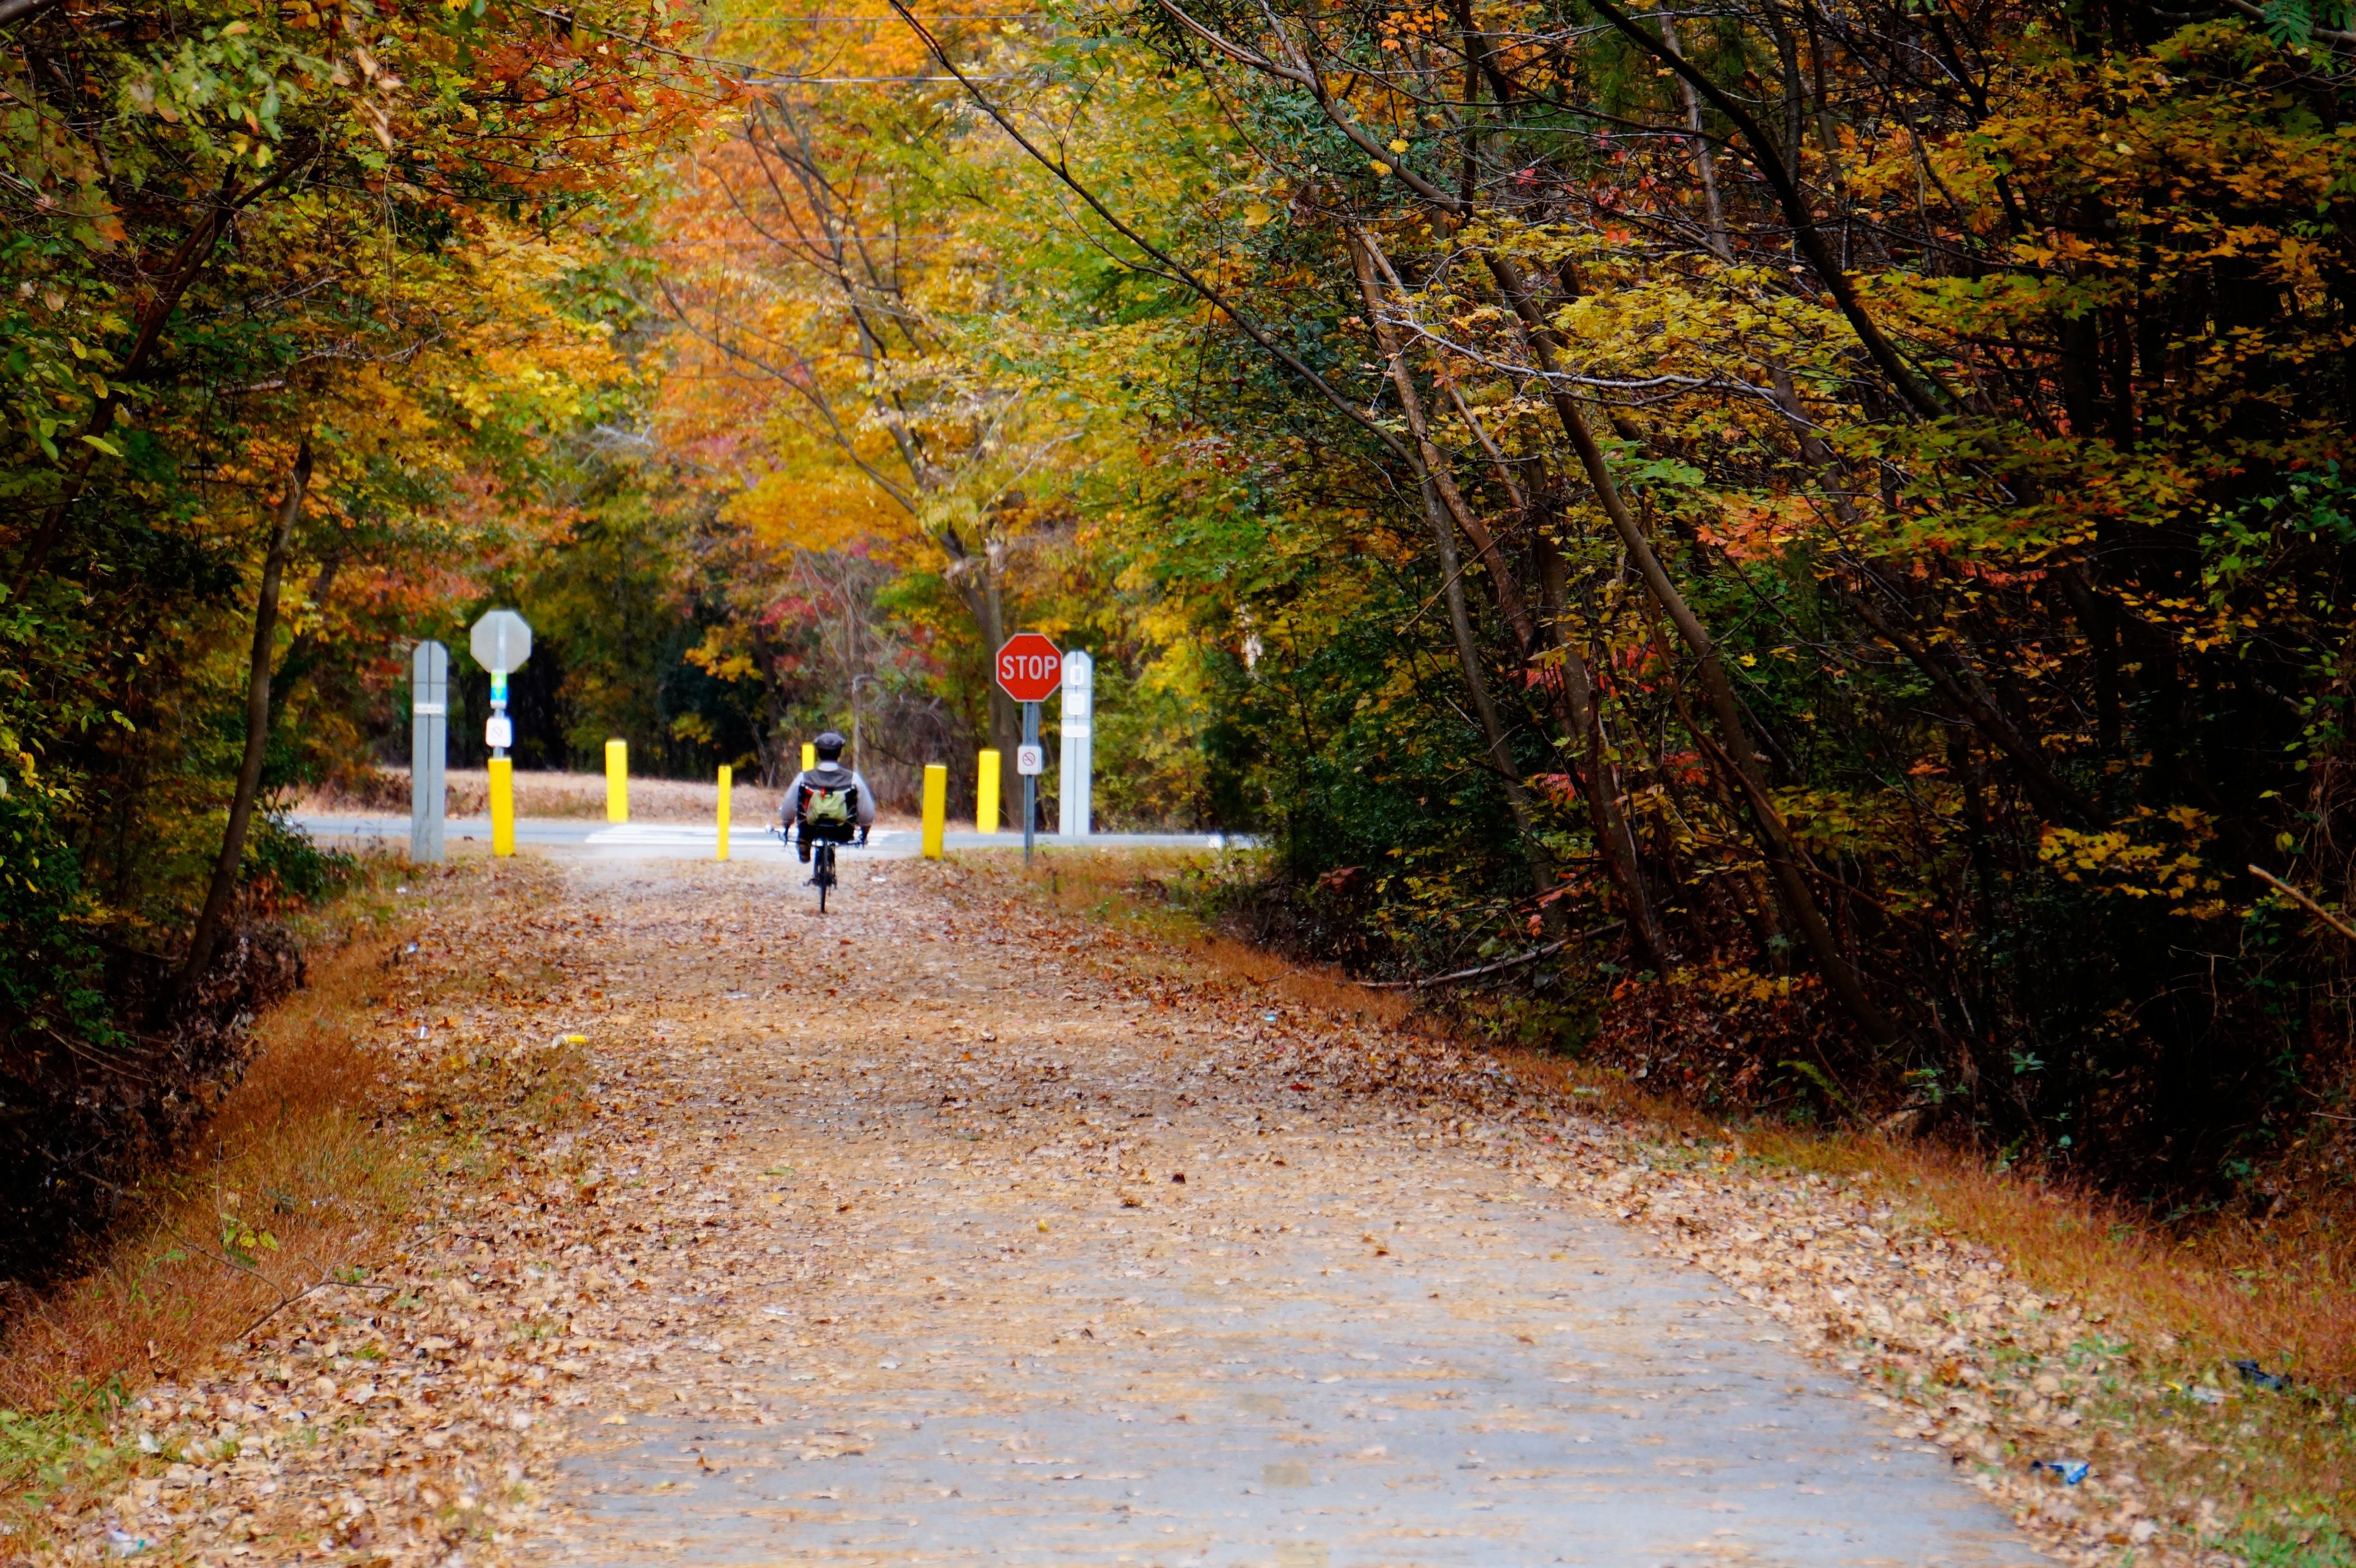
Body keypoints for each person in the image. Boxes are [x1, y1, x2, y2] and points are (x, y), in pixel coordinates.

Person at [780, 731, 877, 864]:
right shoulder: (853, 779)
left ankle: (804, 843)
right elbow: (867, 811)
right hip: (843, 829)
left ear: (818, 753)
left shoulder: (804, 777)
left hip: (810, 828)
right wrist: (865, 829)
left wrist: (786, 823)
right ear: (839, 753)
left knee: (805, 824)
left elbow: (789, 804)